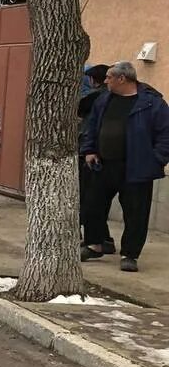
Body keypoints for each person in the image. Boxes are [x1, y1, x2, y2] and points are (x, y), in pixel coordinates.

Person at [80, 61, 169, 272]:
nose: (105, 80)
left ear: (122, 79)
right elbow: (91, 125)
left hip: (137, 167)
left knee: (136, 213)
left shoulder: (152, 104)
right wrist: (90, 150)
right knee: (92, 205)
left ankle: (130, 254)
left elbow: (166, 134)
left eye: (109, 77)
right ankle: (95, 244)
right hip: (104, 164)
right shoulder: (104, 100)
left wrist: (156, 159)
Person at [77, 64, 114, 256]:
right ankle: (103, 239)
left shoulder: (95, 98)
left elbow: (81, 112)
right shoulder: (109, 98)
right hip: (102, 153)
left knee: (90, 199)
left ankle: (97, 240)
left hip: (90, 155)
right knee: (97, 201)